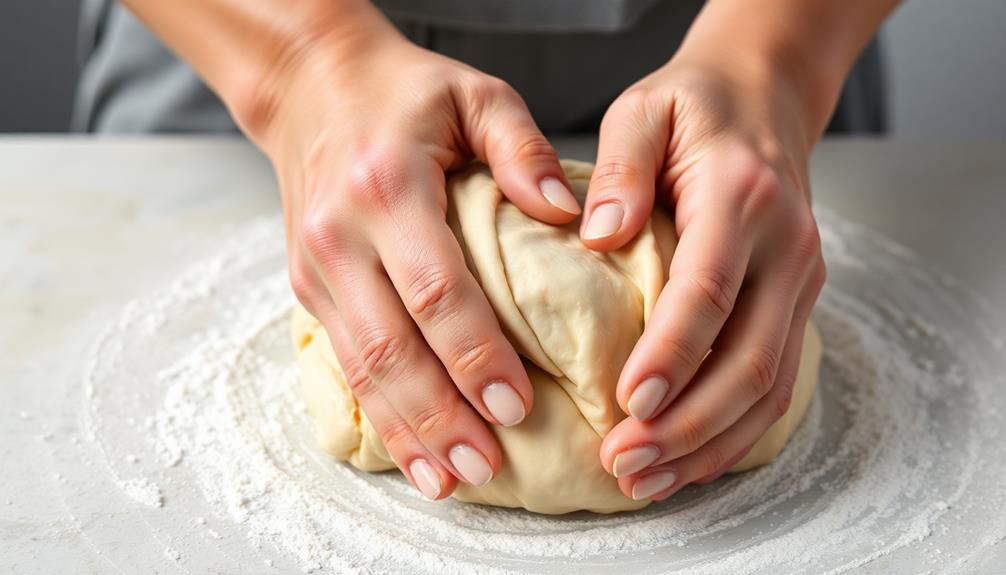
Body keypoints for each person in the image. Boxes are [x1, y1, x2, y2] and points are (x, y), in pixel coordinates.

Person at [74, 0, 898, 502]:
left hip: (749, 42)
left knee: (737, 299)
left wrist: (777, 60)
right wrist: (300, 65)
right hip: (239, 37)